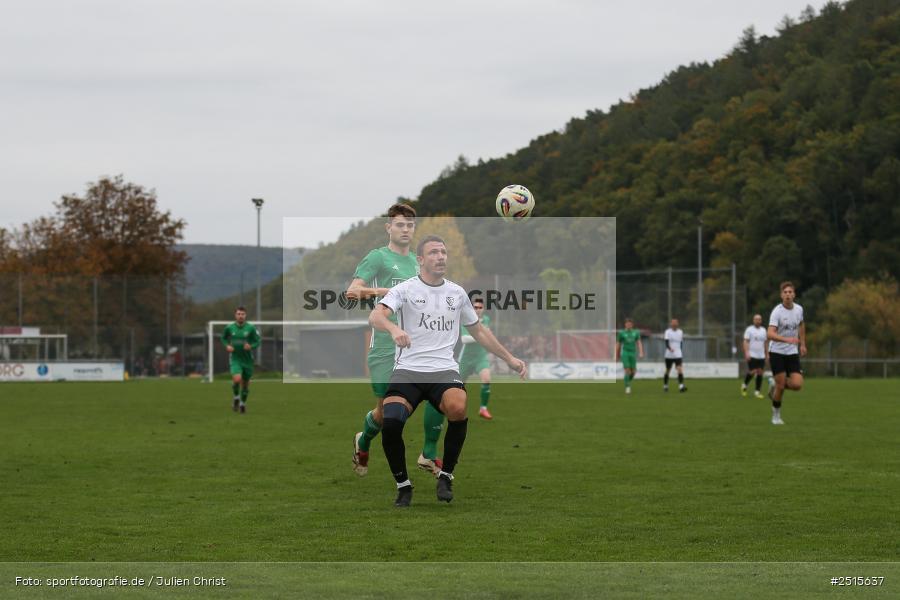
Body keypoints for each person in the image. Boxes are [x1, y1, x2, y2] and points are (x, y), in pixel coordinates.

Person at [369, 235, 527, 507]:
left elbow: (478, 330)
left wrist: (510, 358)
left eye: (443, 252)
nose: (441, 256)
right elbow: (376, 315)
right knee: (392, 421)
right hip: (408, 370)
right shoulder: (405, 290)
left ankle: (446, 475)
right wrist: (394, 329)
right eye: (433, 252)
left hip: (444, 371)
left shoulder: (457, 293)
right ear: (420, 260)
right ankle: (403, 486)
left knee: (457, 407)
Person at [346, 204, 445, 477]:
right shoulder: (377, 258)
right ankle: (363, 441)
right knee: (385, 414)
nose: (405, 229)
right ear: (388, 227)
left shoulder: (418, 261)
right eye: (399, 225)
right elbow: (352, 292)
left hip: (417, 346)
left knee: (442, 394)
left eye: (410, 225)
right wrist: (390, 291)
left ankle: (429, 454)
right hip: (386, 348)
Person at [766, 282, 806, 425]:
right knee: (781, 387)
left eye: (790, 292)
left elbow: (801, 325)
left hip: (792, 352)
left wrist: (802, 344)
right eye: (785, 292)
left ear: (794, 294)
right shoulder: (777, 312)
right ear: (781, 295)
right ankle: (776, 416)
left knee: (797, 385)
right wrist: (786, 339)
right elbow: (769, 333)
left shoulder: (799, 309)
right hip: (777, 351)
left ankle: (773, 383)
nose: (788, 294)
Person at [458, 298, 495, 419]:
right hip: (465, 358)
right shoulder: (465, 320)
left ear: (483, 309)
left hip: (480, 356)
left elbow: (487, 335)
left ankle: (483, 409)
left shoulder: (486, 320)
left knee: (487, 379)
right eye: (475, 307)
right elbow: (464, 339)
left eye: (480, 307)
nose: (478, 310)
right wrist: (480, 336)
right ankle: (457, 408)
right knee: (458, 387)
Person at [220, 306, 260, 413]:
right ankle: (236, 397)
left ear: (245, 315)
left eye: (242, 314)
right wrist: (227, 346)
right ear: (235, 315)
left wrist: (251, 346)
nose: (240, 316)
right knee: (237, 379)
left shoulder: (251, 328)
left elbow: (258, 341)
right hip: (235, 358)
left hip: (247, 360)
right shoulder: (229, 328)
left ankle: (242, 404)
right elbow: (223, 338)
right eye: (238, 314)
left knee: (246, 384)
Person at [742, 314, 768, 398]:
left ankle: (757, 391)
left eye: (759, 319)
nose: (758, 321)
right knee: (752, 372)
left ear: (761, 321)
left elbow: (765, 343)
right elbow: (745, 341)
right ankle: (744, 385)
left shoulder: (764, 330)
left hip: (761, 355)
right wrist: (746, 352)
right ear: (753, 320)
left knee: (760, 372)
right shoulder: (749, 330)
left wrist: (767, 354)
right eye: (756, 319)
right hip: (752, 354)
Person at [616, 317, 644, 394]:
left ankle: (627, 380)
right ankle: (627, 387)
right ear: (625, 324)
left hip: (633, 353)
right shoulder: (621, 333)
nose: (628, 325)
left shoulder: (636, 332)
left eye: (630, 324)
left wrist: (641, 352)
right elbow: (618, 345)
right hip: (625, 353)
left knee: (633, 372)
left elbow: (639, 343)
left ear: (632, 325)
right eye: (627, 324)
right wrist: (617, 355)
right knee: (627, 370)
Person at [663, 318, 687, 392]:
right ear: (671, 324)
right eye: (673, 323)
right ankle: (665, 385)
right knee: (668, 370)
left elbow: (681, 343)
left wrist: (679, 351)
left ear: (677, 324)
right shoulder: (667, 332)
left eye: (675, 323)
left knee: (679, 369)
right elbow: (666, 343)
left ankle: (681, 386)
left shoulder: (680, 332)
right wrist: (670, 349)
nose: (674, 324)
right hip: (669, 354)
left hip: (678, 354)